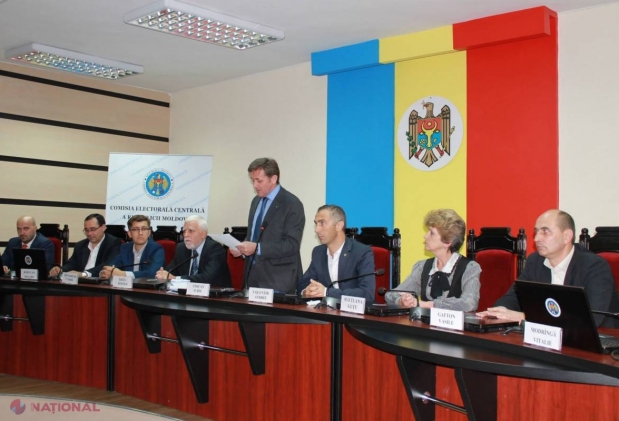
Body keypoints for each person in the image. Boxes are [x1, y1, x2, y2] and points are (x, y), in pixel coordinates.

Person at [477, 209, 619, 327]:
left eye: (545, 231)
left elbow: (591, 319)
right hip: (549, 340)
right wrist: (497, 312)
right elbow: (514, 296)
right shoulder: (535, 261)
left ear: (567, 236)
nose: (536, 238)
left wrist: (525, 317)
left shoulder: (595, 267)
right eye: (536, 231)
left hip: (598, 344)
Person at [230, 158, 305, 293]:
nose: (255, 185)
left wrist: (257, 248)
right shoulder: (255, 201)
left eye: (259, 181)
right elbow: (253, 236)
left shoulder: (292, 204)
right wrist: (241, 248)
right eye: (252, 180)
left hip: (278, 281)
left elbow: (291, 245)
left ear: (273, 178)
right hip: (252, 277)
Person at [385, 209, 481, 311]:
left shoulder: (470, 268)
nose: (425, 236)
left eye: (431, 233)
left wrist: (424, 304)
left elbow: (469, 303)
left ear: (447, 242)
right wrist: (402, 300)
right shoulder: (422, 267)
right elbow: (390, 294)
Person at [298, 205, 376, 302]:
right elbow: (302, 284)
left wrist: (327, 292)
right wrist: (306, 291)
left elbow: (367, 294)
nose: (317, 229)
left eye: (322, 223)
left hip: (353, 310)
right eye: (316, 224)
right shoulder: (318, 252)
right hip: (325, 310)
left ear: (339, 225)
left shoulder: (361, 252)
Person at [155, 215, 231, 287]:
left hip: (215, 293)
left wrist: (175, 279)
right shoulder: (181, 248)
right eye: (184, 231)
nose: (186, 235)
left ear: (203, 234)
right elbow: (170, 271)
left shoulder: (215, 249)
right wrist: (163, 274)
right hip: (186, 293)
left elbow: (207, 278)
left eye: (191, 231)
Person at [49, 214, 121, 278]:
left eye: (93, 229)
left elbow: (107, 266)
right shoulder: (80, 245)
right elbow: (71, 264)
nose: (89, 233)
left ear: (103, 227)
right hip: (81, 283)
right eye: (86, 230)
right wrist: (60, 269)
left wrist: (84, 274)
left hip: (100, 283)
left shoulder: (113, 243)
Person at [100, 215, 164, 280]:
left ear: (149, 232)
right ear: (129, 233)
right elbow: (112, 265)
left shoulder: (156, 249)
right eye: (136, 229)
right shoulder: (125, 248)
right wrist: (106, 272)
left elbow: (152, 273)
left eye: (144, 229)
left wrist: (123, 274)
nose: (140, 233)